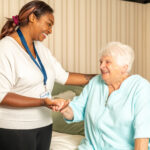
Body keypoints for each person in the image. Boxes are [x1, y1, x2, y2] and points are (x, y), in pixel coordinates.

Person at [0, 1, 95, 150]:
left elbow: (64, 76)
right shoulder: (5, 48)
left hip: (44, 125)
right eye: (48, 24)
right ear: (32, 18)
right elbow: (2, 96)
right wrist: (42, 102)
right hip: (15, 130)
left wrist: (99, 76)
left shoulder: (41, 49)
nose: (50, 31)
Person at [55, 42, 150, 150]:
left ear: (124, 68)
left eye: (107, 62)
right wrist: (65, 108)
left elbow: (143, 133)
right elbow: (77, 109)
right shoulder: (95, 82)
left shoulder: (140, 88)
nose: (101, 66)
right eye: (101, 62)